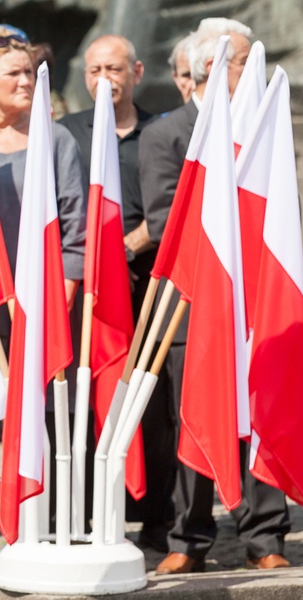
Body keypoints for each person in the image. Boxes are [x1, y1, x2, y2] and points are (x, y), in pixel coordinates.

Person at [139, 18, 290, 574]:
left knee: (260, 408)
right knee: (194, 420)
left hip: (257, 303)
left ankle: (265, 536)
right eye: (241, 58)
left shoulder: (262, 133)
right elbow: (163, 224)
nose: (253, 65)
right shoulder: (168, 134)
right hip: (193, 307)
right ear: (210, 66)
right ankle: (188, 539)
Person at [0, 25, 86, 563]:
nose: (28, 81)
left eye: (31, 72)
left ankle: (41, 521)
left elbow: (73, 218)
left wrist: (66, 290)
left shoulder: (57, 139)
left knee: (47, 414)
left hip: (42, 301)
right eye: (15, 74)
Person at [57, 34, 171, 550]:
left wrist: (129, 244)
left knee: (151, 403)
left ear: (137, 71)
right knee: (86, 399)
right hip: (86, 295)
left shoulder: (161, 132)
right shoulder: (65, 135)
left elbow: (171, 206)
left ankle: (154, 517)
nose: (105, 78)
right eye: (94, 69)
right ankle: (82, 514)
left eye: (115, 68)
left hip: (148, 286)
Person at [169, 33, 196, 104]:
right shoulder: (170, 115)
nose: (194, 86)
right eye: (187, 76)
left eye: (203, 76)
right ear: (176, 78)